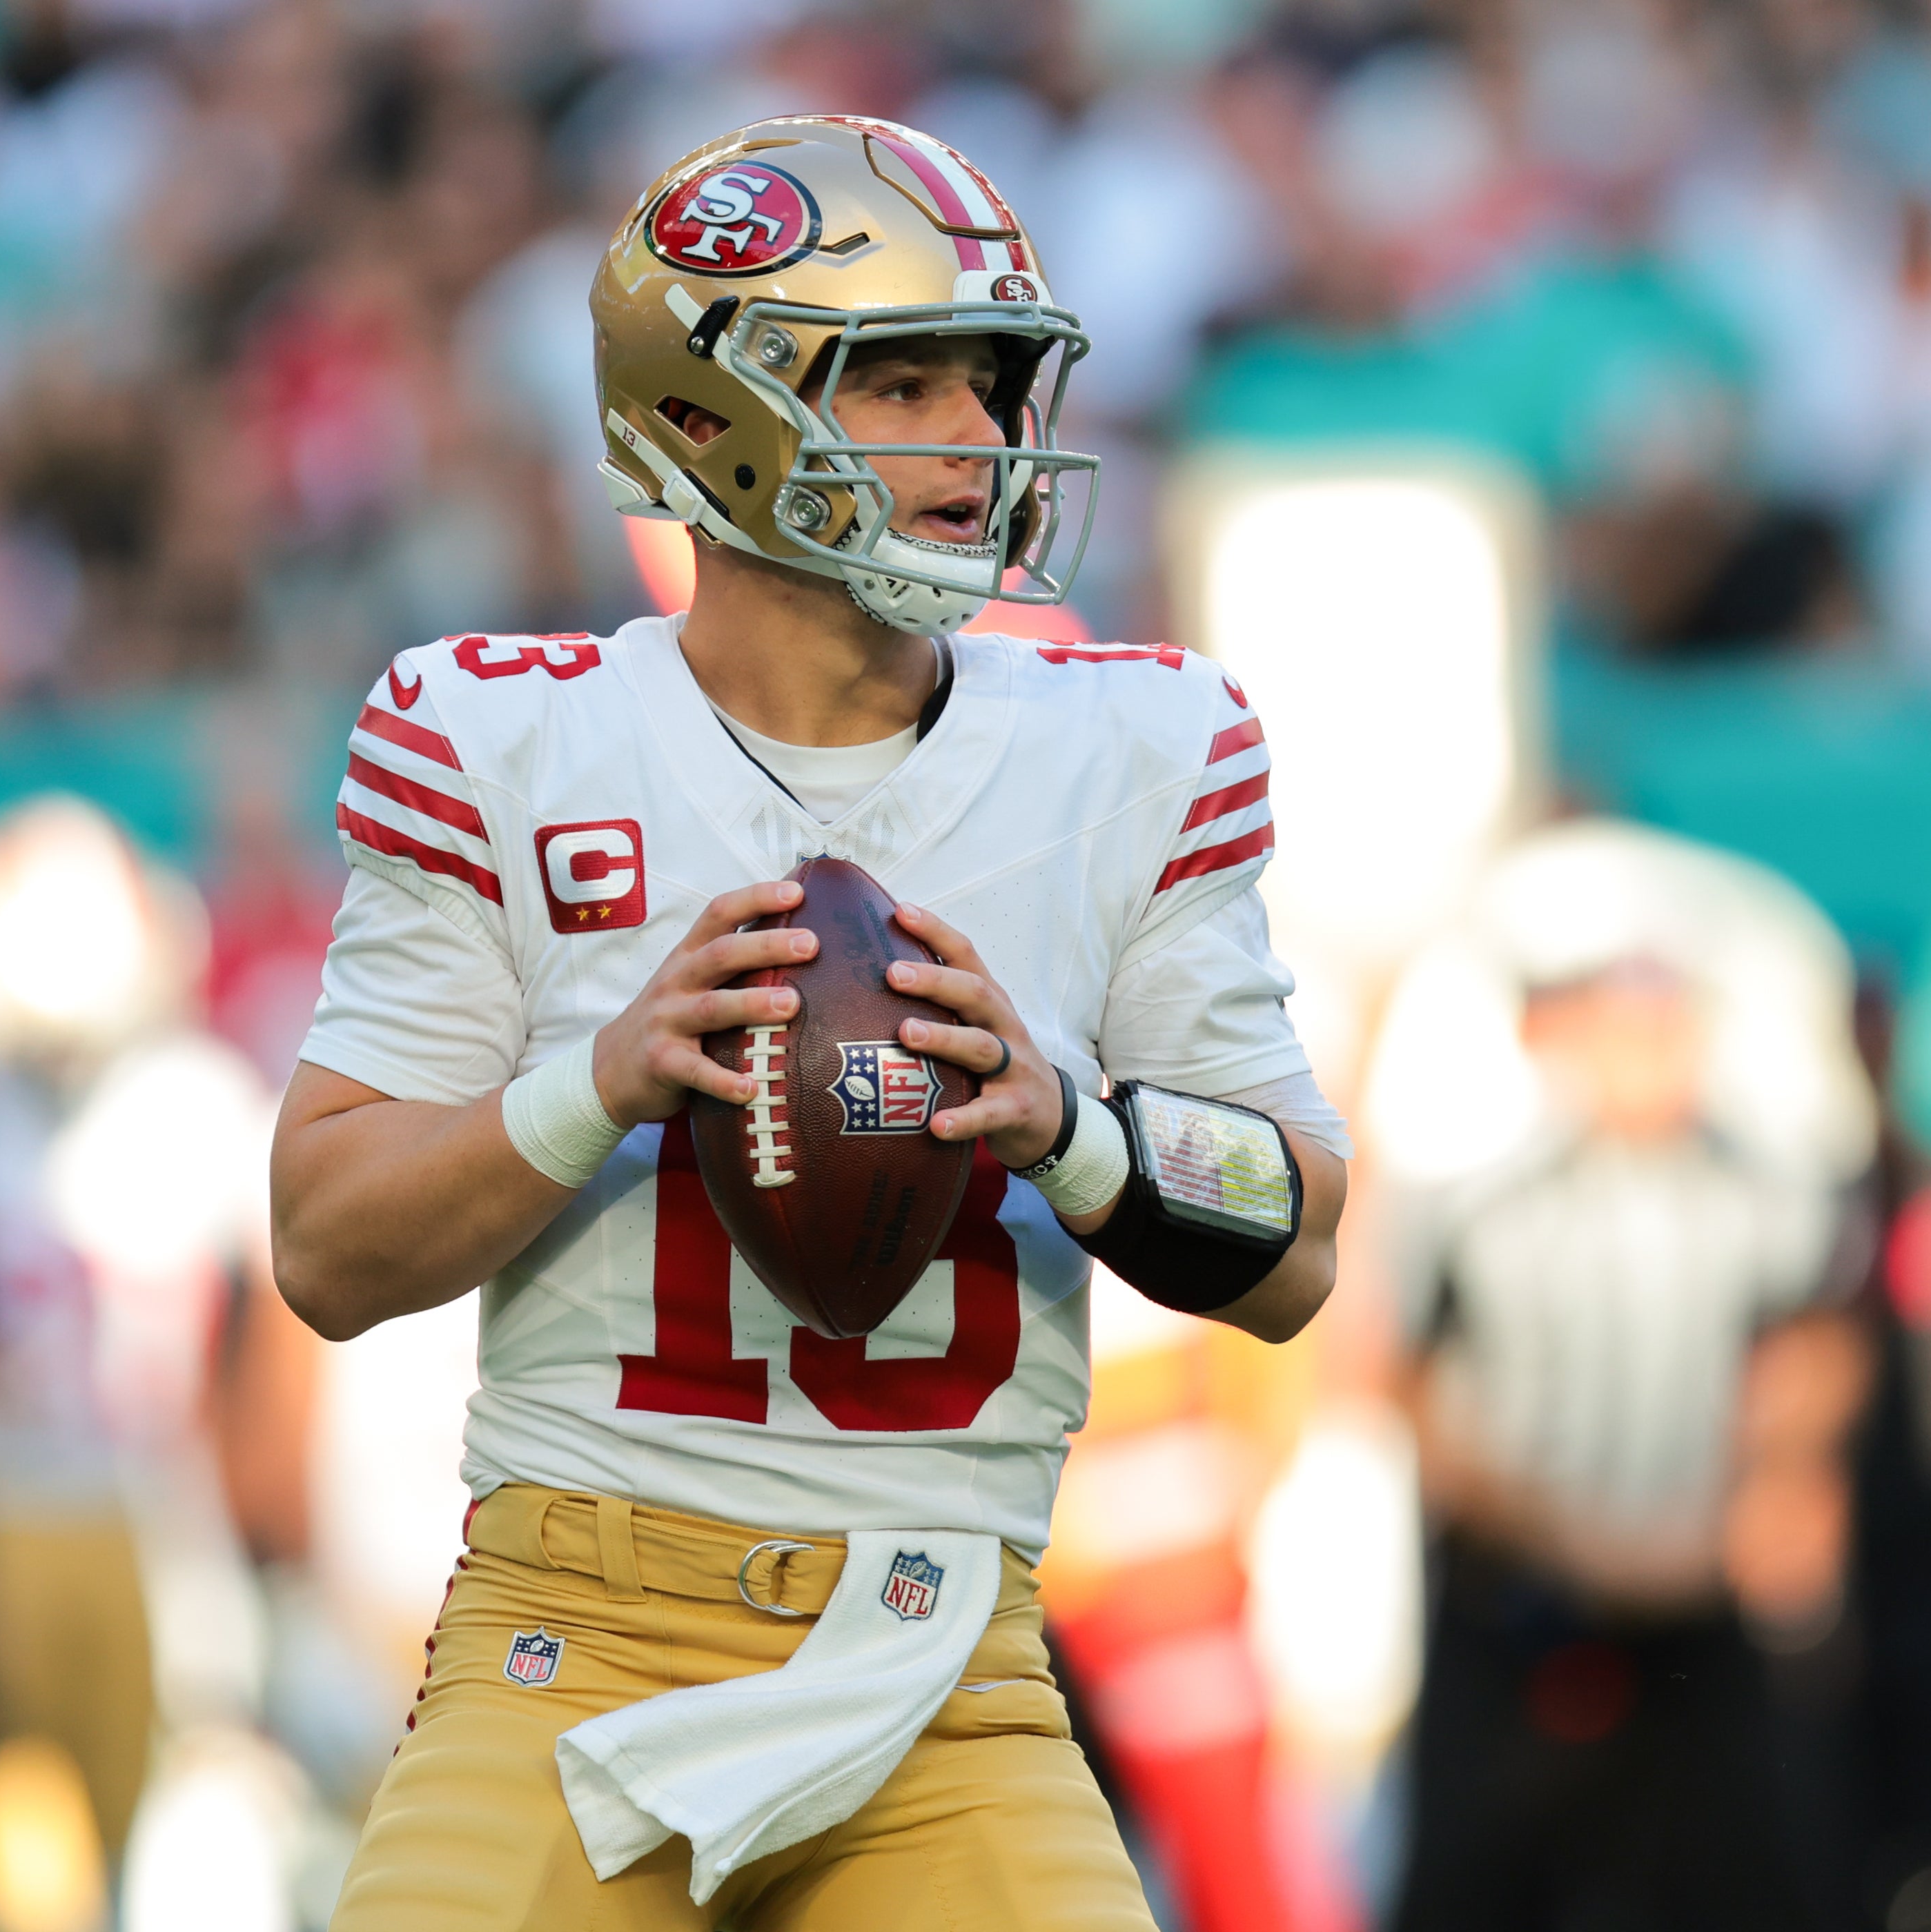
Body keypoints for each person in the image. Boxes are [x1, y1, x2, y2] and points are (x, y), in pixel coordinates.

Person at [270, 116, 1351, 1932]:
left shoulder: (1139, 753)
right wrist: (596, 1086)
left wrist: (1069, 1131)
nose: (981, 443)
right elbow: (325, 1246)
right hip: (574, 1636)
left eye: (996, 385)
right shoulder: (499, 740)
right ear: (711, 419)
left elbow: (1298, 1245)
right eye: (905, 380)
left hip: (951, 1671)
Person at [1368, 821, 1875, 1932]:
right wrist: (1563, 1536)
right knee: (1478, 1881)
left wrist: (1773, 1484)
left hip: (1702, 1609)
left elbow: (1815, 1343)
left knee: (1747, 1879)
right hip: (1523, 1613)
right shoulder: (1485, 1201)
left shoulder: (1761, 1187)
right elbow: (1404, 1380)